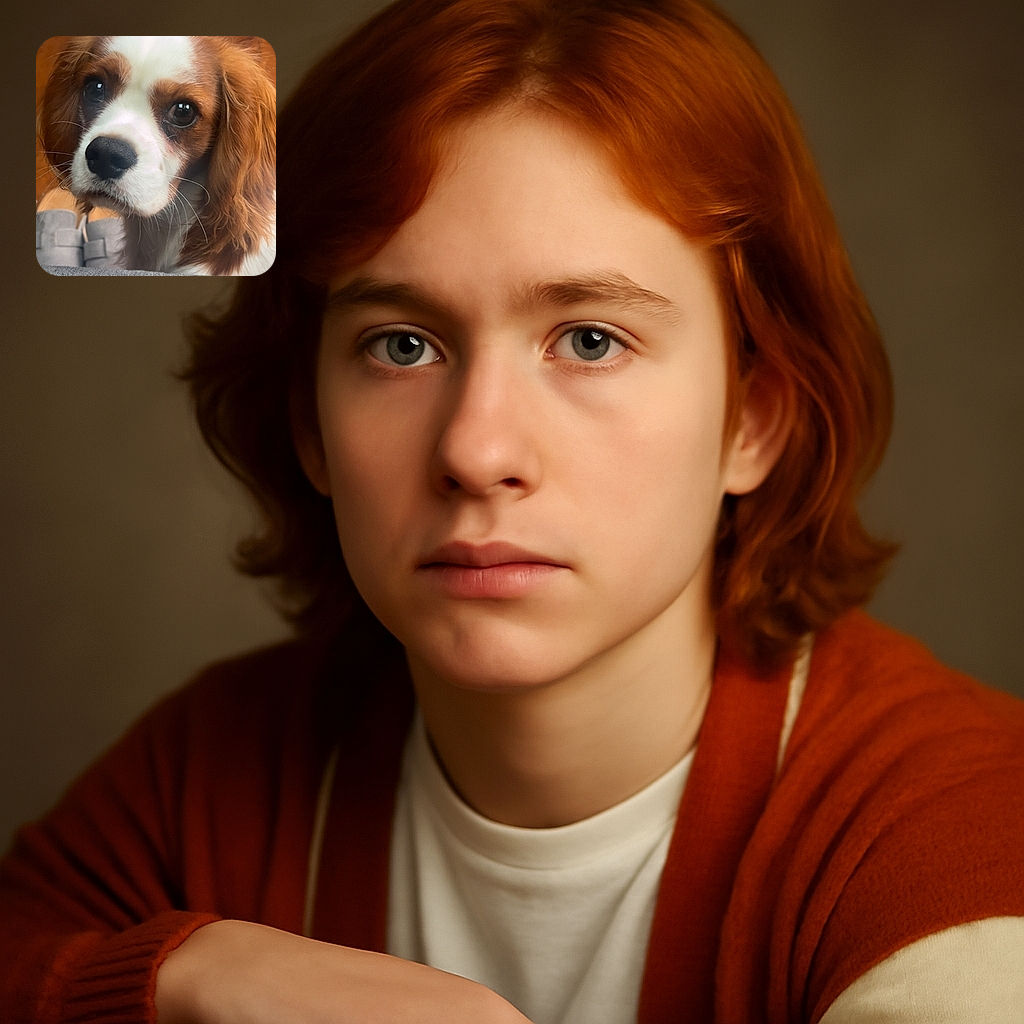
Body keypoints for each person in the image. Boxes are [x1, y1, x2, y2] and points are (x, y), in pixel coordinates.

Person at [3, 1, 1022, 1021]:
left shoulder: (957, 829)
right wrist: (195, 974)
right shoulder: (215, 773)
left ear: (753, 419)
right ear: (309, 422)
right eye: (402, 345)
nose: (476, 451)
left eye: (589, 340)